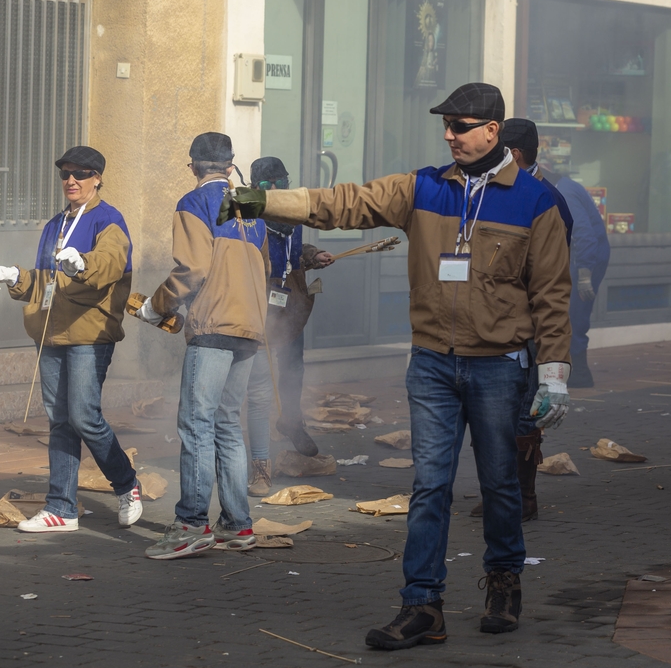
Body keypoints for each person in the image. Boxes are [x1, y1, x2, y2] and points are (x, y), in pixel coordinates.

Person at [222, 83, 572, 649]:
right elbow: (344, 202)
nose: (449, 135)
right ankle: (422, 605)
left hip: (497, 366)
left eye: (460, 126)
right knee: (429, 486)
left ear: (492, 131)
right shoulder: (424, 187)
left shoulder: (536, 202)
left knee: (500, 484)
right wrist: (266, 202)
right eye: (446, 126)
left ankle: (505, 582)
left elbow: (553, 293)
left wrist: (553, 372)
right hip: (432, 362)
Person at [0, 146, 141, 532]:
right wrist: (14, 277)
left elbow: (109, 265)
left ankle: (127, 484)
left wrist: (84, 263)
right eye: (66, 174)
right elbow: (45, 280)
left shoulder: (109, 219)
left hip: (90, 333)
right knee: (59, 421)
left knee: (85, 417)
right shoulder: (55, 224)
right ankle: (61, 508)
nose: (71, 180)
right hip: (53, 332)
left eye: (81, 173)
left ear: (98, 178)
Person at [136, 133, 270, 559]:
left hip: (212, 326)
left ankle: (192, 524)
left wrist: (156, 307)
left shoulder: (193, 203)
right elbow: (262, 267)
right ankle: (237, 525)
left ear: (192, 165)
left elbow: (192, 267)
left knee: (197, 424)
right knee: (228, 424)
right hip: (249, 328)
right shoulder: (251, 205)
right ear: (231, 166)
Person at [464, 118, 574, 524]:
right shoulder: (487, 188)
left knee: (523, 411)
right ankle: (499, 491)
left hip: (524, 324)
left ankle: (522, 496)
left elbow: (548, 277)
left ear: (516, 154)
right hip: (488, 319)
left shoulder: (544, 198)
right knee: (487, 411)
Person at [245, 156, 333, 497]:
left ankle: (292, 422)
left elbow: (294, 255)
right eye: (269, 186)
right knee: (257, 382)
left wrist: (312, 255)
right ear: (256, 189)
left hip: (290, 308)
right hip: (259, 308)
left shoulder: (293, 219)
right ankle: (255, 457)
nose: (278, 191)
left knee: (293, 367)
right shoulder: (250, 223)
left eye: (282, 183)